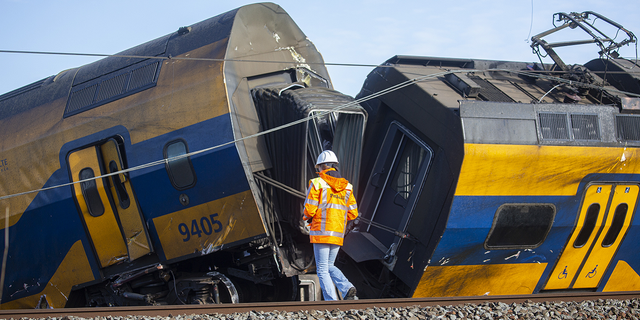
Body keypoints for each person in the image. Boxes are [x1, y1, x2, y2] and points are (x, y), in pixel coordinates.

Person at [303, 150, 358, 300]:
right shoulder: (347, 187)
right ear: (335, 167)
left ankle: (331, 302)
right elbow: (353, 213)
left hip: (321, 232)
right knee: (329, 265)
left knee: (322, 269)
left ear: (321, 167)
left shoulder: (317, 183)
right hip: (337, 233)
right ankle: (347, 288)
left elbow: (309, 209)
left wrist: (305, 217)